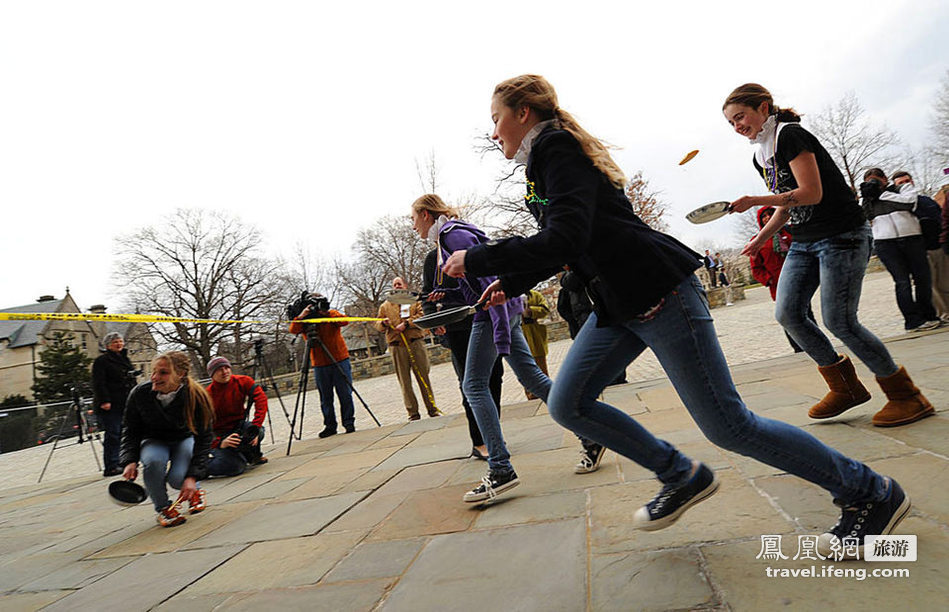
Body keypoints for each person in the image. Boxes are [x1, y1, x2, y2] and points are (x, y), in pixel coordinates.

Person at [442, 74, 910, 555]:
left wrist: (479, 260)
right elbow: (569, 246)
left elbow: (567, 237)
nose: (494, 131)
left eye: (496, 119)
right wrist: (511, 283)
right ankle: (679, 474)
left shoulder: (556, 148)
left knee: (729, 426)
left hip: (659, 291)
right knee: (568, 403)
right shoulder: (541, 164)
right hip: (619, 303)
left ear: (524, 114)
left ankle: (870, 492)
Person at [725, 83, 934, 429]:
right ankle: (846, 387)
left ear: (763, 108)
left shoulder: (790, 135)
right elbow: (788, 202)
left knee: (840, 320)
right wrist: (761, 237)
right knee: (789, 314)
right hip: (805, 241)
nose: (737, 127)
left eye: (740, 117)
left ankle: (906, 396)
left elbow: (810, 193)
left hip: (842, 235)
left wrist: (755, 200)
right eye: (731, 123)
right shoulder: (760, 153)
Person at [412, 193, 552, 502]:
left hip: (494, 313)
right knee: (532, 379)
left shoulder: (451, 235)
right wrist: (444, 296)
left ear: (425, 214)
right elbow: (477, 284)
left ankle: (500, 467)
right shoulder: (451, 235)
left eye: (413, 219)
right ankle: (589, 430)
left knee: (473, 385)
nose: (413, 227)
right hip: (504, 309)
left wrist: (499, 327)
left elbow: (491, 280)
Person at [422, 248, 504, 460]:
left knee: (495, 378)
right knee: (471, 384)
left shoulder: (471, 250)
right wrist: (433, 321)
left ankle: (494, 435)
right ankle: (479, 441)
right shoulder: (434, 259)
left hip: (486, 321)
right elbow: (427, 296)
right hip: (457, 329)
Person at [119, 351, 213, 527]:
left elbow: (204, 438)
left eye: (163, 372)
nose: (155, 377)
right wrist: (130, 460)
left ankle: (195, 491)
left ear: (181, 374)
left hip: (183, 439)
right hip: (154, 440)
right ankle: (164, 508)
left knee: (179, 479)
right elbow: (131, 429)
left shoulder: (196, 396)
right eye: (153, 371)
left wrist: (192, 477)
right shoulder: (140, 394)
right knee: (153, 461)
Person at [860, 168, 939, 332]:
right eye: (869, 181)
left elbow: (910, 202)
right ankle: (912, 321)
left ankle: (929, 315)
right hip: (886, 243)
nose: (873, 184)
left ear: (884, 179)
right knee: (902, 282)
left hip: (912, 238)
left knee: (923, 279)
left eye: (876, 180)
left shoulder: (900, 189)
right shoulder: (868, 199)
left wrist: (881, 194)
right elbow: (866, 218)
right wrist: (867, 197)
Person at [747, 206, 816, 352]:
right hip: (778, 285)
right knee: (787, 315)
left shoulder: (790, 232)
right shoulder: (757, 241)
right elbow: (756, 268)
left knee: (806, 312)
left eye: (770, 214)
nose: (767, 218)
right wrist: (769, 279)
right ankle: (798, 347)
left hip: (798, 279)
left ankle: (816, 342)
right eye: (763, 216)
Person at [289, 294, 356, 438]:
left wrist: (327, 313)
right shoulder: (305, 320)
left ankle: (349, 422)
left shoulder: (330, 315)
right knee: (325, 397)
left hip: (339, 359)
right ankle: (330, 425)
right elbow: (293, 330)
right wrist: (302, 316)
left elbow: (344, 321)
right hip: (319, 363)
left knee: (345, 393)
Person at [375, 277, 440, 421]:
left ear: (405, 286)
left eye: (399, 284)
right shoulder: (385, 305)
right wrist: (384, 323)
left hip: (415, 343)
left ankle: (432, 409)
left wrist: (407, 324)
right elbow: (377, 323)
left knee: (423, 377)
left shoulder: (415, 300)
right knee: (405, 382)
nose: (397, 286)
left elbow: (422, 315)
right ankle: (413, 413)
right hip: (397, 347)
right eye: (394, 285)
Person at [892, 170, 949, 323]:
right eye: (901, 183)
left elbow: (941, 219)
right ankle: (942, 314)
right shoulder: (899, 205)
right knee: (930, 286)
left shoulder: (926, 200)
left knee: (945, 283)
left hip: (940, 246)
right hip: (920, 250)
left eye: (907, 181)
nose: (905, 185)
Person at [205, 356, 268, 477]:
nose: (224, 372)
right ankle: (197, 468)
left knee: (259, 431)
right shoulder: (207, 396)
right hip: (219, 435)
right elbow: (200, 428)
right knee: (235, 467)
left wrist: (255, 426)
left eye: (226, 367)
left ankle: (252, 455)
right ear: (212, 375)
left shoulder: (243, 381)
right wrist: (219, 443)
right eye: (219, 370)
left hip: (238, 427)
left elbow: (261, 398)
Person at [92, 332, 138, 477]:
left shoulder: (125, 359)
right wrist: (104, 400)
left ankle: (123, 460)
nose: (118, 344)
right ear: (108, 346)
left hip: (126, 401)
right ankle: (111, 465)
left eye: (120, 341)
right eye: (115, 342)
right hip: (111, 403)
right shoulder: (102, 361)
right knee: (113, 434)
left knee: (126, 433)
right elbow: (99, 382)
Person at [521, 289, 550, 399]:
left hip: (535, 334)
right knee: (524, 366)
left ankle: (545, 391)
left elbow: (545, 309)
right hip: (520, 334)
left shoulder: (536, 295)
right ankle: (531, 394)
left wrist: (530, 311)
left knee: (541, 365)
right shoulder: (511, 297)